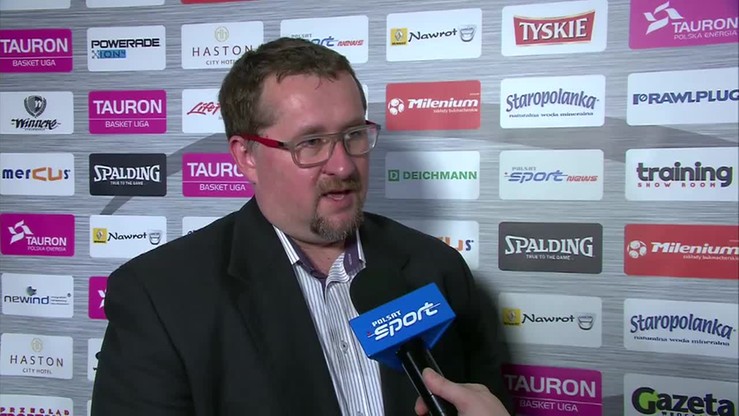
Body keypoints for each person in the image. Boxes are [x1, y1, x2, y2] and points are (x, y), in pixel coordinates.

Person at [91, 37, 513, 416]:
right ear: (246, 156)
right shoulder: (162, 299)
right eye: (311, 143)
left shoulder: (437, 269)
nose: (344, 165)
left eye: (353, 134)